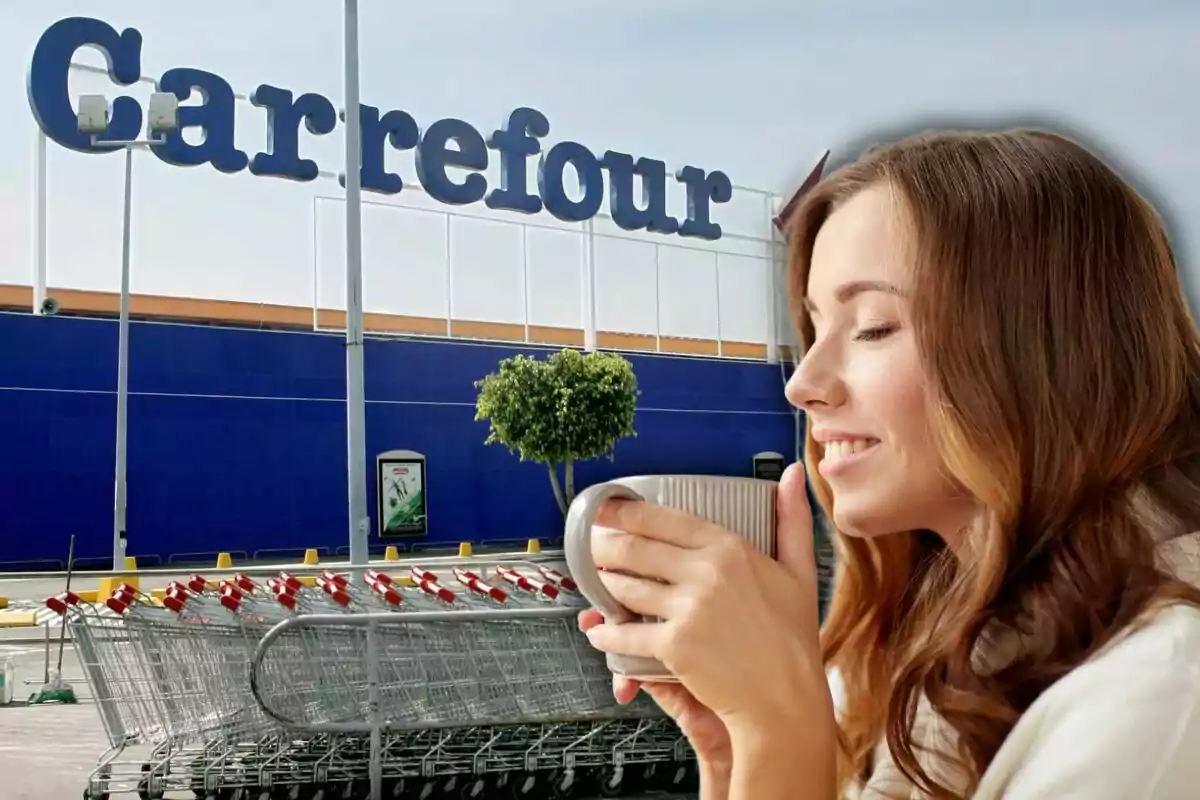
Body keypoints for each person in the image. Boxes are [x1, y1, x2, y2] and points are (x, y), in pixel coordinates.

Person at [576, 127, 1200, 799]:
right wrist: (737, 758)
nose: (803, 382)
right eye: (813, 331)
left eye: (872, 326)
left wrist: (781, 733)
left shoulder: (1160, 691)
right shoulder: (904, 657)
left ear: (1045, 350)